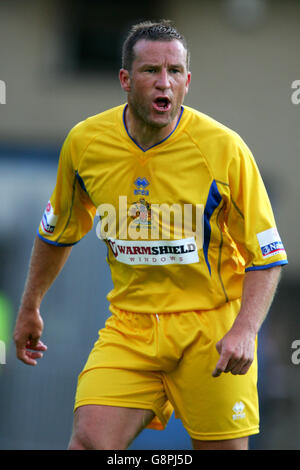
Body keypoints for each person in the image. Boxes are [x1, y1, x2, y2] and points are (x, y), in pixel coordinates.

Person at [13, 20, 288, 451]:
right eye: (151, 71)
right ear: (125, 79)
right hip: (130, 328)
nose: (165, 83)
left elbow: (267, 256)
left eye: (175, 72)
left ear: (188, 81)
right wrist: (30, 305)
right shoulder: (85, 144)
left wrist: (245, 330)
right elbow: (56, 232)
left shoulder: (225, 149)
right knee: (88, 443)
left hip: (211, 330)